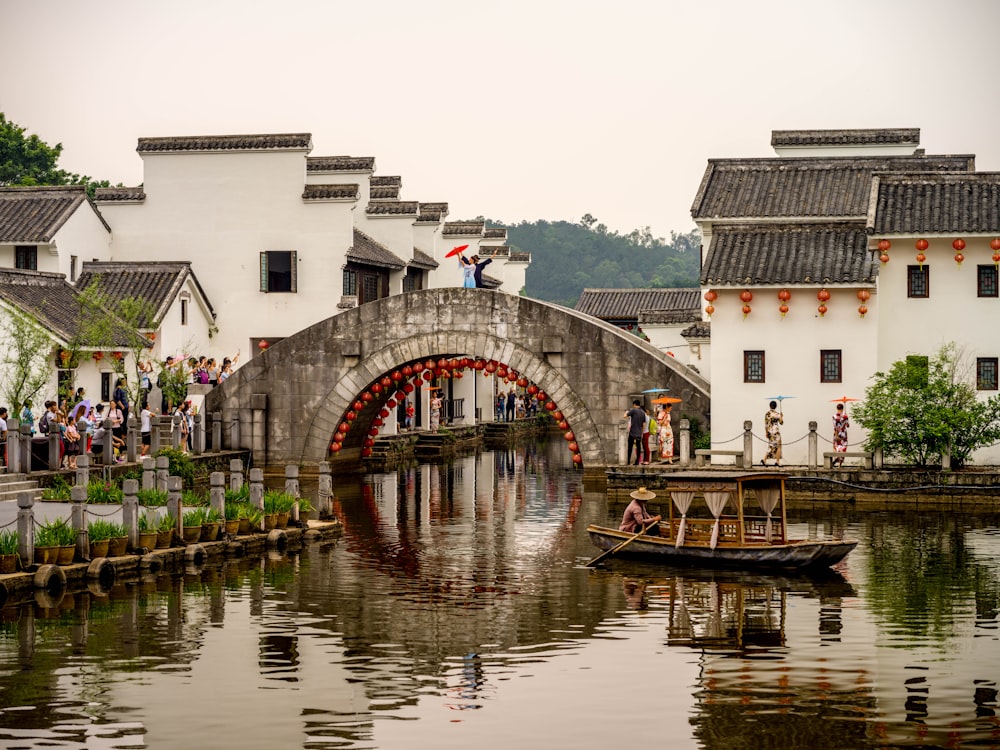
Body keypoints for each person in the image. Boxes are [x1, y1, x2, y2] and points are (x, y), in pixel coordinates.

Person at [624, 399, 646, 466]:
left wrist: (626, 412)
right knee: (638, 447)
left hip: (632, 432)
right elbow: (644, 424)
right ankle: (637, 462)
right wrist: (641, 432)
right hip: (639, 432)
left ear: (634, 405)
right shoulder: (643, 412)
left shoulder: (633, 410)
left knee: (630, 447)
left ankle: (628, 461)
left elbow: (625, 416)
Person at [762, 400, 784, 466]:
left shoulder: (767, 414)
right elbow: (781, 422)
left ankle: (764, 459)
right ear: (776, 406)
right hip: (776, 432)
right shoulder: (777, 414)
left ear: (770, 406)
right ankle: (777, 461)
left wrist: (766, 432)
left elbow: (765, 424)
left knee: (771, 446)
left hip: (769, 431)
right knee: (779, 446)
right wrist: (781, 416)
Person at [832, 402, 850, 467]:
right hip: (843, 434)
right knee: (843, 447)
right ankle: (840, 464)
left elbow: (835, 427)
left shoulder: (834, 416)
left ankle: (836, 457)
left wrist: (836, 435)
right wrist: (846, 418)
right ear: (842, 408)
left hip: (837, 433)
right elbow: (848, 425)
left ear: (837, 408)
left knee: (836, 446)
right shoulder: (845, 416)